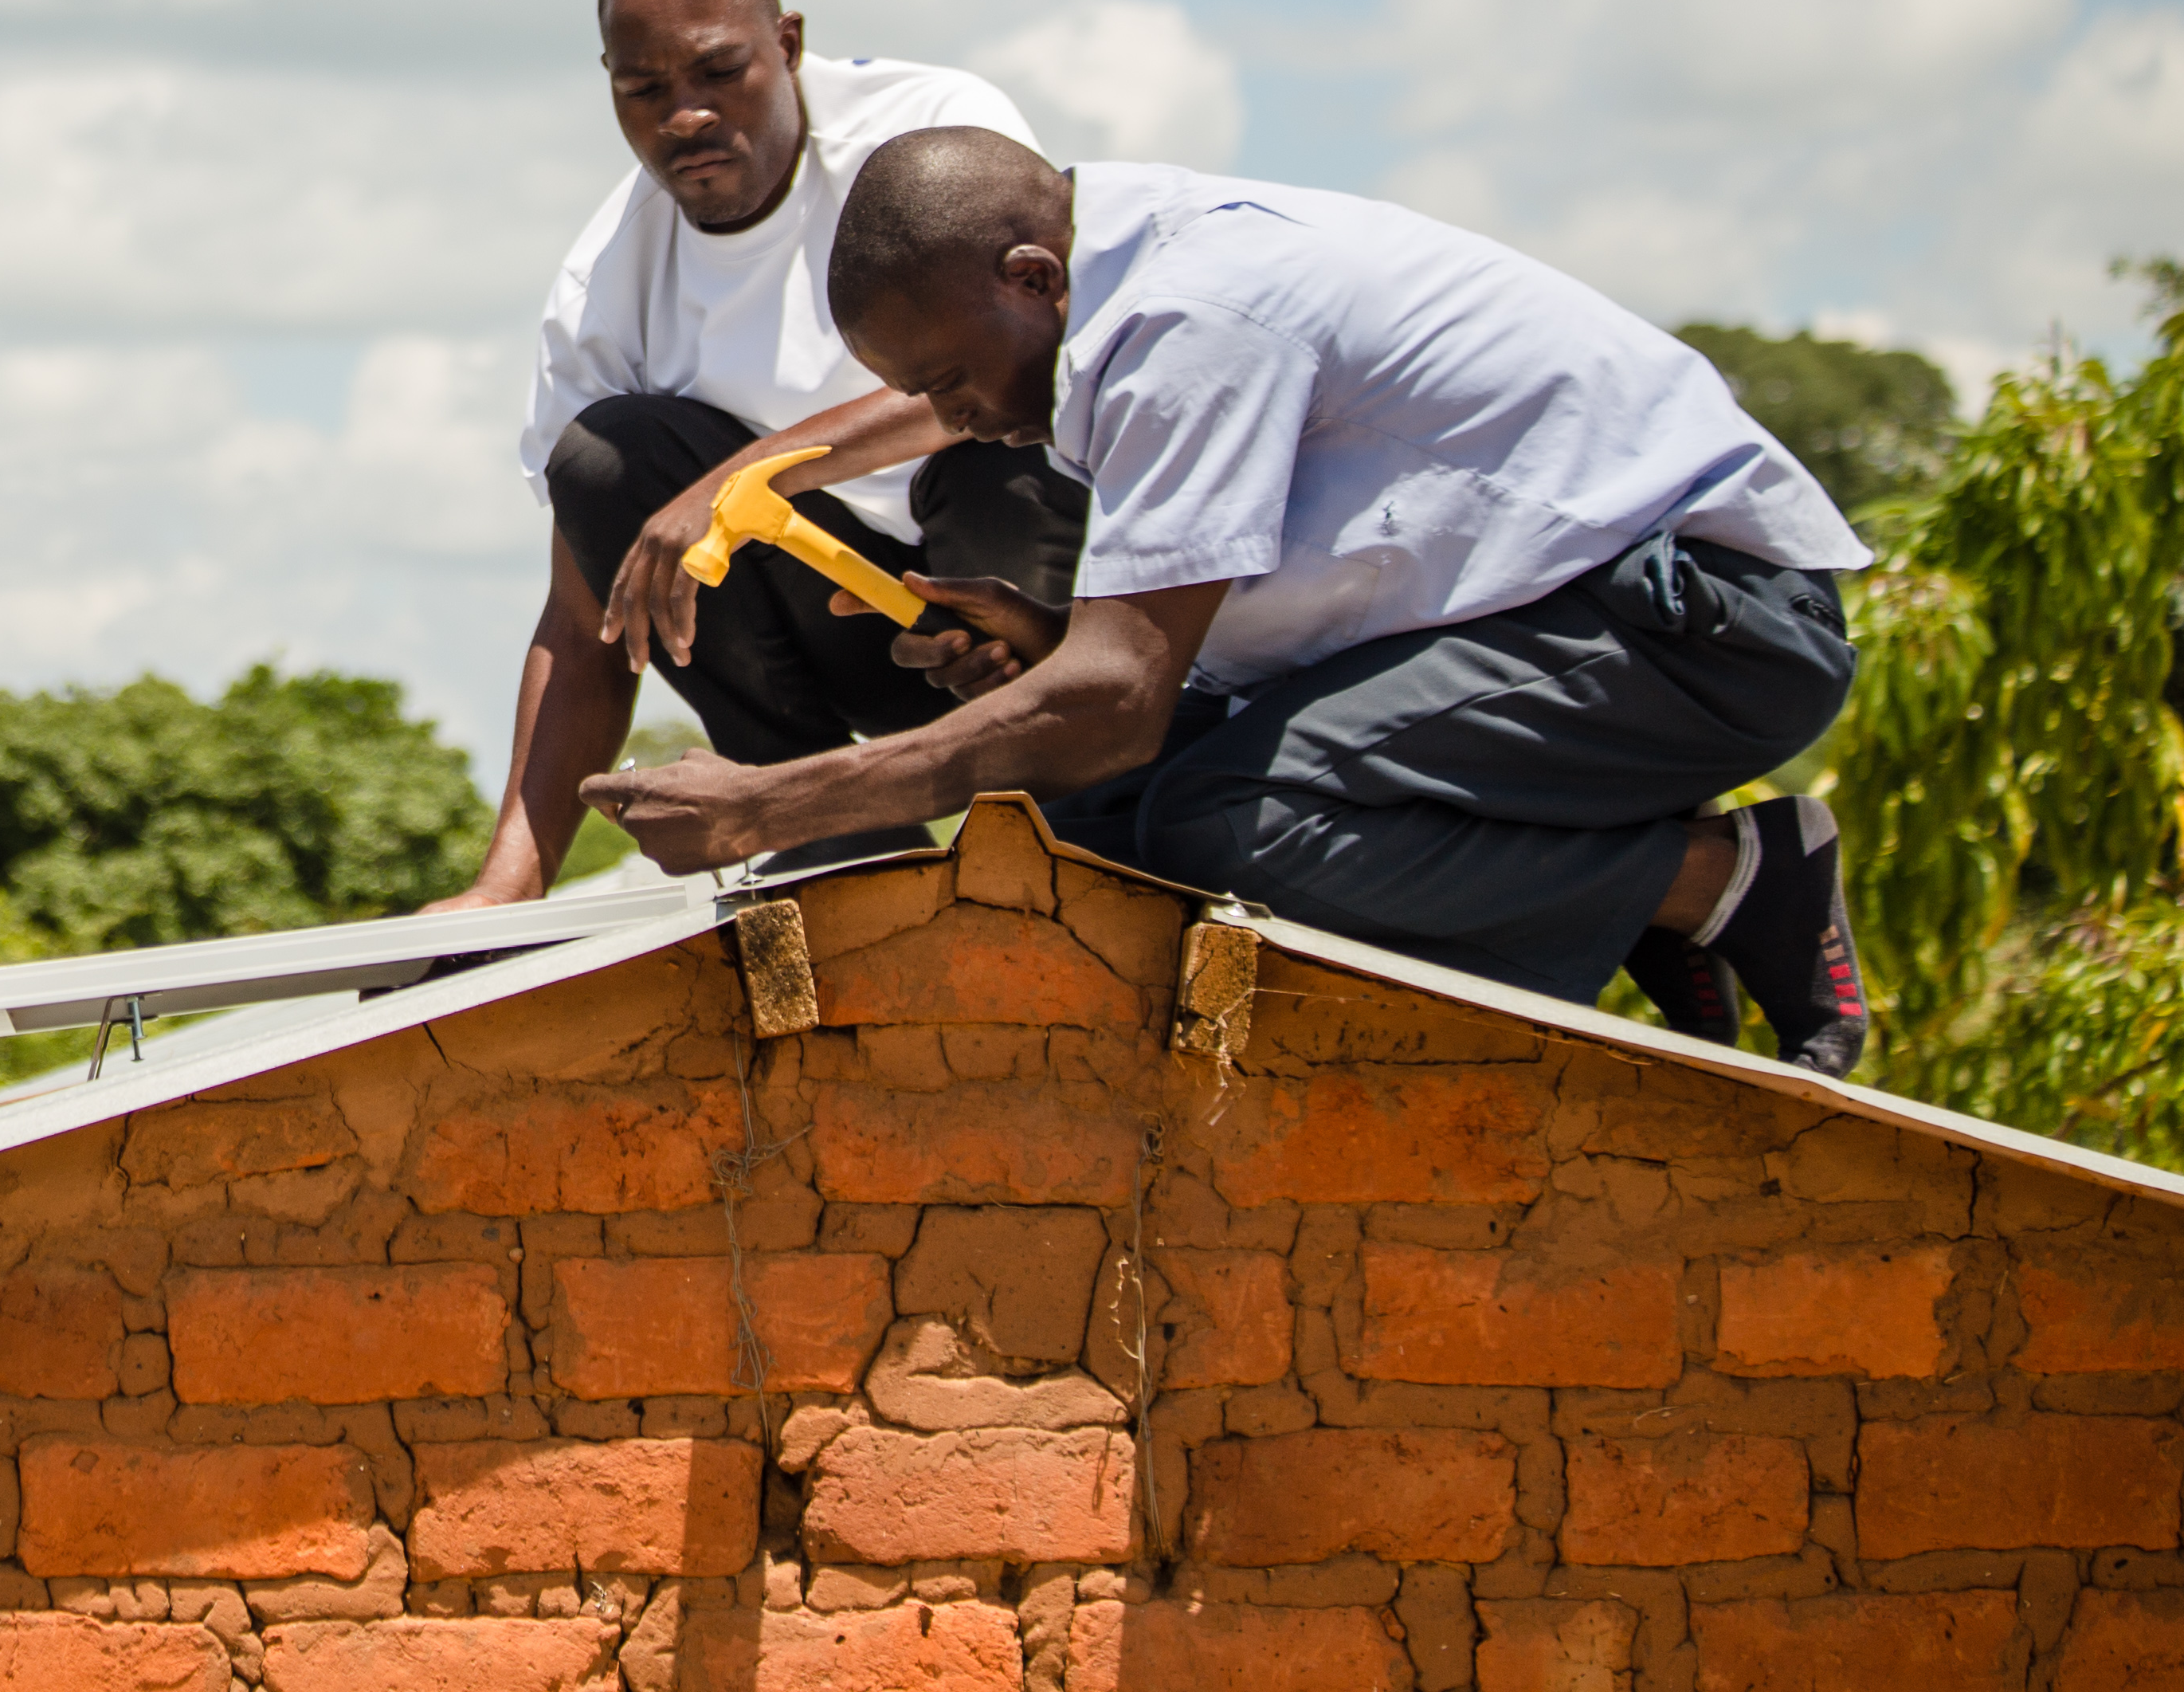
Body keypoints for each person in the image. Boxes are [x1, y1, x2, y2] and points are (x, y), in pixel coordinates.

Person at [578, 128, 1876, 1073]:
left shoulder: (1192, 318)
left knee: (1224, 822)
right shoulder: (1123, 291)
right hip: (1558, 626)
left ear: (1032, 276)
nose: (956, 419)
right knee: (1085, 818)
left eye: (953, 377)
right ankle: (1639, 898)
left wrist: (770, 802)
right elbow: (1168, 665)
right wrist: (1048, 641)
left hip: (1704, 623)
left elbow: (1115, 701)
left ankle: (1717, 878)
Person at [431, 0, 1088, 909]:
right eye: (643, 89)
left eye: (718, 73)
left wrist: (744, 478)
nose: (684, 115)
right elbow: (584, 614)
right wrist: (504, 887)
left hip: (1016, 606)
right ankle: (833, 837)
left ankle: (1082, 826)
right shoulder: (605, 284)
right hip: (836, 636)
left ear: (787, 44)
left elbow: (1018, 372)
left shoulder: (932, 130)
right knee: (608, 458)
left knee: (998, 448)